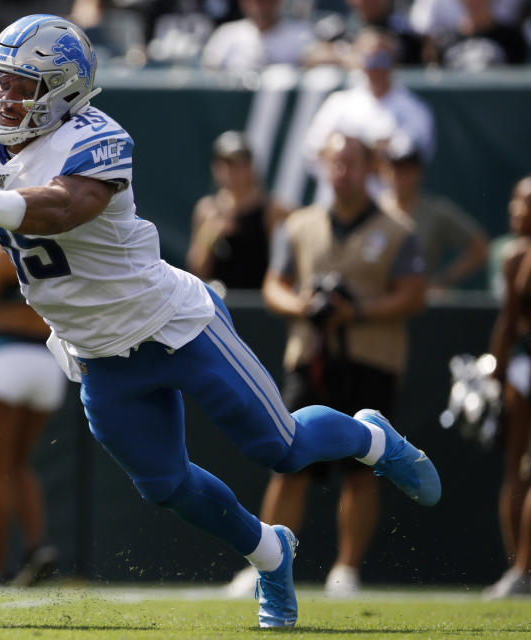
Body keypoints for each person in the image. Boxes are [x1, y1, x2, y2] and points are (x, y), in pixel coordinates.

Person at [0, 15, 440, 628]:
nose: (2, 98)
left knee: (279, 448)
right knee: (166, 487)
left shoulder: (97, 138)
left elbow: (64, 207)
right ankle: (270, 553)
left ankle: (372, 438)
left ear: (65, 90)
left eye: (21, 85)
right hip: (95, 351)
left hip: (174, 326)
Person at [247, 133, 426, 598]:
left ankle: (346, 569)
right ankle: (266, 560)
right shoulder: (301, 224)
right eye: (334, 163)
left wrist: (358, 311)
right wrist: (305, 306)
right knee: (288, 461)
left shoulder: (398, 227)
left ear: (370, 168)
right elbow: (274, 286)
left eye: (351, 163)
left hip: (371, 359)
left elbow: (413, 293)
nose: (341, 172)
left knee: (362, 467)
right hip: (312, 358)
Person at [0, 241, 66, 586]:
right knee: (20, 464)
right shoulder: (62, 247)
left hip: (3, 360)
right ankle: (37, 545)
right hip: (48, 363)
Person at [304, 27, 434, 206]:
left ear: (394, 62)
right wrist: (372, 152)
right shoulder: (338, 104)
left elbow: (405, 160)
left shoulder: (414, 109)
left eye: (383, 60)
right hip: (335, 206)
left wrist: (349, 154)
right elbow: (315, 151)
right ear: (359, 61)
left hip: (387, 212)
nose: (377, 67)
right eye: (370, 60)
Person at [485, 175, 531, 598]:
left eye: (526, 203)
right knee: (516, 469)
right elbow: (508, 323)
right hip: (524, 372)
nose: (516, 210)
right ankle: (520, 569)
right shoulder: (515, 256)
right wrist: (495, 379)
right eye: (515, 201)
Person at [378, 135, 488, 294]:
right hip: (376, 305)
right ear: (384, 170)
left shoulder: (436, 212)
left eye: (406, 168)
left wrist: (444, 280)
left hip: (420, 304)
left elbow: (480, 248)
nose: (400, 175)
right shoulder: (371, 210)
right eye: (395, 167)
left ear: (419, 172)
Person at [186, 131, 289, 289]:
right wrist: (210, 235)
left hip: (255, 303)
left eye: (237, 165)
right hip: (218, 301)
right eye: (225, 165)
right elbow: (196, 269)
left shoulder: (270, 209)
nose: (230, 173)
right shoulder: (206, 209)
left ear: (249, 168)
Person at [200, 0, 314, 71]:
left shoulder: (301, 34)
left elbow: (319, 57)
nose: (260, 6)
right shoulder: (227, 33)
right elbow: (208, 71)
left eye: (265, 1)